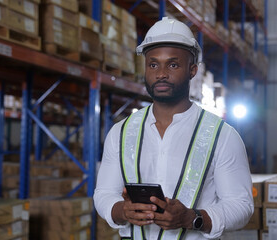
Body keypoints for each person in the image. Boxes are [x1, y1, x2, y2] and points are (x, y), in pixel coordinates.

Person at [94, 17, 253, 240]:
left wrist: (192, 218)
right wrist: (121, 210)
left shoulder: (222, 136)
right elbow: (103, 194)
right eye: (153, 64)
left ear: (193, 70)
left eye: (173, 64)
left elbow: (241, 205)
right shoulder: (120, 133)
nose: (161, 73)